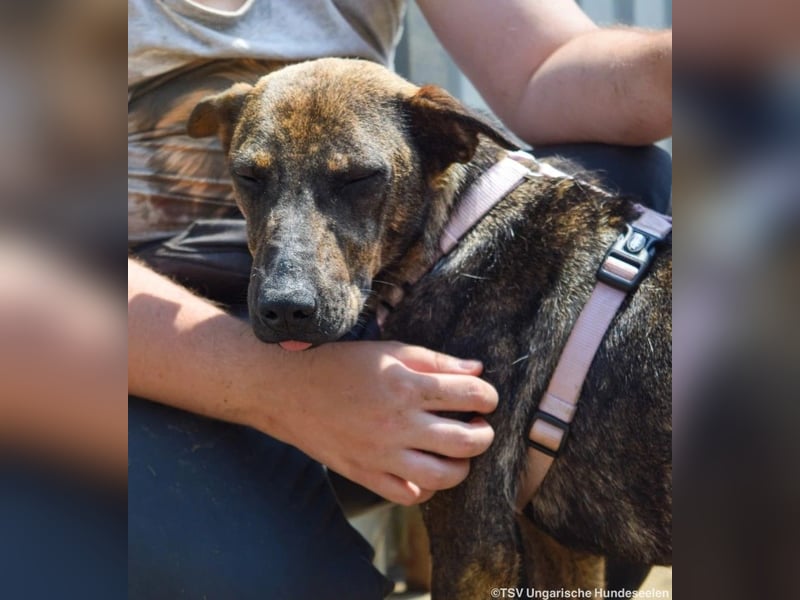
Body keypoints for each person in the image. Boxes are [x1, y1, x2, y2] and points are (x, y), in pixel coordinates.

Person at [128, 1, 672, 597]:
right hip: (121, 344)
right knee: (269, 577)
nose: (287, 286)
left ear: (446, 144)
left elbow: (549, 62)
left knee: (628, 174)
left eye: (356, 182)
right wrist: (277, 389)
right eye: (254, 180)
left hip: (388, 278)